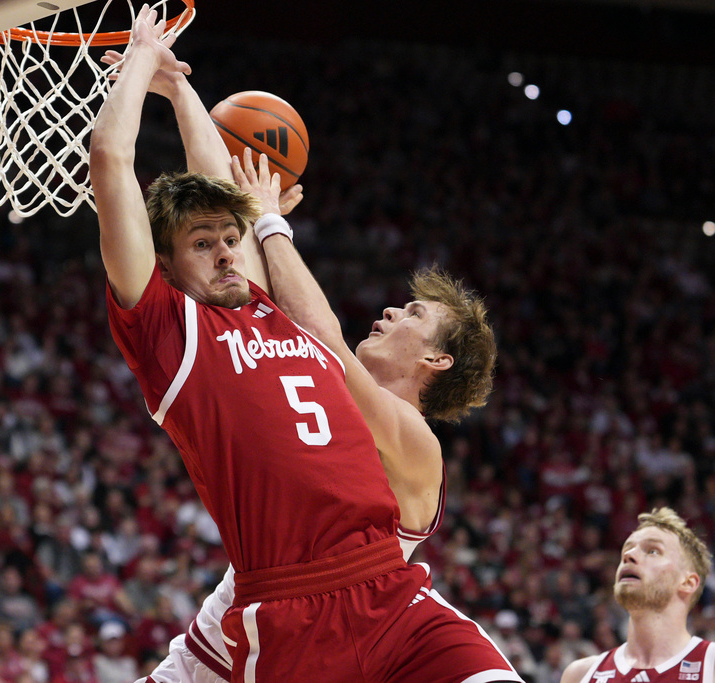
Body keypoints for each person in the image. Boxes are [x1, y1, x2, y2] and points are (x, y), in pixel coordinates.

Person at [91, 7, 517, 682]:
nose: (387, 308)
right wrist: (178, 91)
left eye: (411, 313)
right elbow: (215, 191)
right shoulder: (245, 327)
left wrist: (267, 221)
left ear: (438, 360)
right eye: (207, 245)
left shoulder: (396, 424)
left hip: (375, 593)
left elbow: (306, 310)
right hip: (266, 595)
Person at [560, 507, 714, 683]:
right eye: (627, 549)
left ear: (688, 582)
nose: (628, 555)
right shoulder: (580, 675)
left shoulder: (711, 664)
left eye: (653, 551)